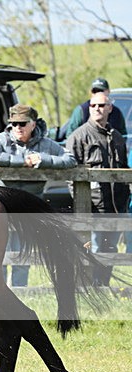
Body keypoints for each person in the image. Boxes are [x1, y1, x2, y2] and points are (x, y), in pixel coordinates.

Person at [0, 104, 77, 286]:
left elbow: (70, 159)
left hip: (28, 206)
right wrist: (22, 162)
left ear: (33, 124)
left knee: (23, 250)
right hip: (2, 203)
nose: (17, 127)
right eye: (14, 123)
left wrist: (44, 160)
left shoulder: (46, 145)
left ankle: (21, 289)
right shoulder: (1, 139)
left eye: (22, 123)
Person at [66, 91, 130, 286]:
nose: (97, 109)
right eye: (93, 106)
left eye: (101, 105)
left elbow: (124, 170)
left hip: (115, 206)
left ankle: (103, 286)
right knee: (92, 248)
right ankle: (89, 288)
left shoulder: (117, 137)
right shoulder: (78, 137)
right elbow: (70, 177)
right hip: (92, 206)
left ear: (110, 108)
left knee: (110, 248)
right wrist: (82, 204)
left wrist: (126, 196)